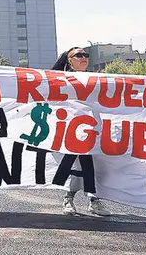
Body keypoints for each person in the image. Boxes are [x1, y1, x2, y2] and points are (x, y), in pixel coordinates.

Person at [52, 47, 112, 217]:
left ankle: (93, 200)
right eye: (79, 55)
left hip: (92, 129)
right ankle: (70, 198)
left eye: (86, 55)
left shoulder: (95, 79)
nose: (84, 57)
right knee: (75, 164)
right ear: (69, 60)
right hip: (69, 129)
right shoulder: (60, 79)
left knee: (93, 165)